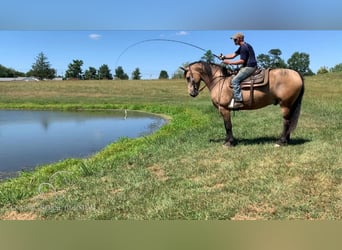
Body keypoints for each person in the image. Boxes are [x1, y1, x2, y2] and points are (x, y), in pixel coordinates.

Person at [220, 32, 257, 109]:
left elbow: (242, 61)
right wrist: (224, 57)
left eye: (235, 39)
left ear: (240, 39)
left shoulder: (244, 47)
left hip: (249, 67)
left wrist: (229, 63)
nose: (234, 41)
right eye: (234, 40)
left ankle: (239, 101)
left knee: (234, 81)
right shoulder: (242, 46)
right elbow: (233, 55)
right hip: (247, 66)